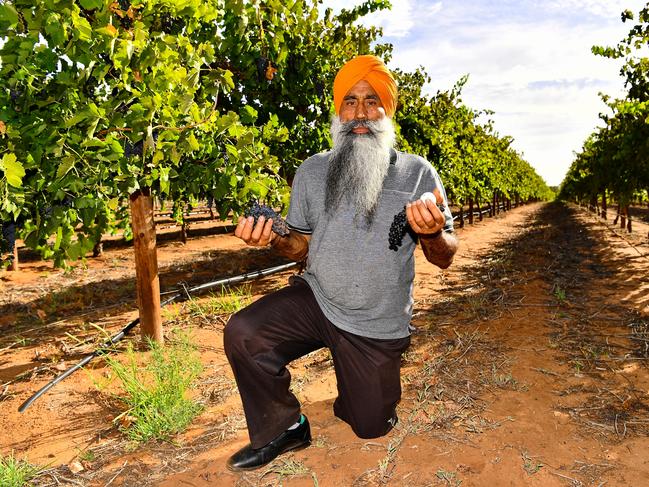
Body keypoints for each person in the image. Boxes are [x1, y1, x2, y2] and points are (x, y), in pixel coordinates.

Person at [224, 54, 458, 471]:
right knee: (244, 333)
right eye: (350, 101)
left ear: (388, 110)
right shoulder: (313, 171)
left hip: (375, 324)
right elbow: (300, 248)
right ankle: (283, 428)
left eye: (372, 101)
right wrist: (273, 237)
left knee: (369, 426)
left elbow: (444, 258)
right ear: (338, 110)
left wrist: (431, 232)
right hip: (317, 301)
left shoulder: (417, 173)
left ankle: (356, 390)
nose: (361, 113)